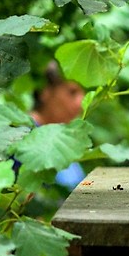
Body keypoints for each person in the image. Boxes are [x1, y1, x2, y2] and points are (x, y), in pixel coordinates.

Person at [34, 59, 87, 189]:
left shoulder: (65, 146)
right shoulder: (19, 137)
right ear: (45, 91)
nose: (80, 103)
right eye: (72, 92)